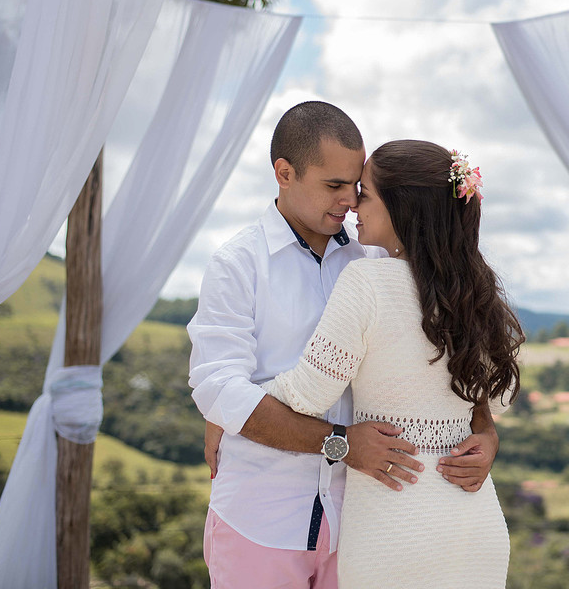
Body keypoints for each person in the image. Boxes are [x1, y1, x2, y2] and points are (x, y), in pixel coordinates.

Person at [188, 102, 501, 588]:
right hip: (263, 518)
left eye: (356, 186)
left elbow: (452, 348)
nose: (350, 201)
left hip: (364, 522)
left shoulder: (378, 257)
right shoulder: (237, 264)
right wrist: (331, 442)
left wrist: (484, 430)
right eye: (334, 185)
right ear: (285, 173)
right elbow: (216, 384)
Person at [264, 139, 523, 588]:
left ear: (402, 207)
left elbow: (307, 395)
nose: (352, 205)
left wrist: (232, 409)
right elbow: (490, 404)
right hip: (473, 526)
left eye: (364, 193)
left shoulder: (367, 280)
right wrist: (487, 437)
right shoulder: (478, 294)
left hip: (394, 530)